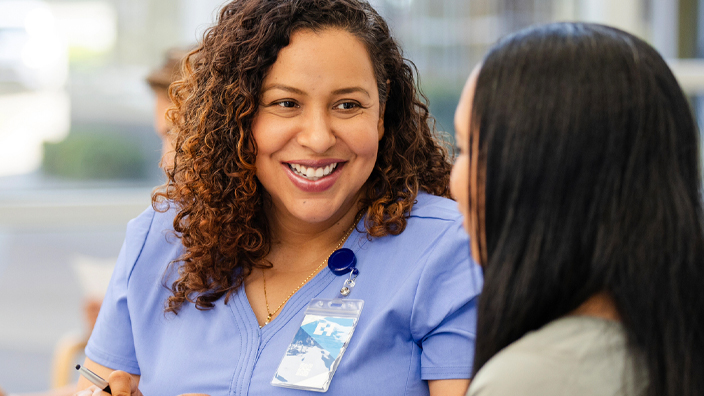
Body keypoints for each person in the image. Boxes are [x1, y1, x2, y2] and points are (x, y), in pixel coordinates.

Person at [77, 0, 483, 395]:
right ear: (238, 116)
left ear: (380, 115)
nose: (319, 137)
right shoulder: (161, 239)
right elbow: (95, 384)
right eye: (285, 104)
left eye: (348, 105)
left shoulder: (446, 250)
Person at [450, 22, 704, 396]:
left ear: (543, 177)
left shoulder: (530, 380)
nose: (454, 184)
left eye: (467, 150)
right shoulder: (674, 346)